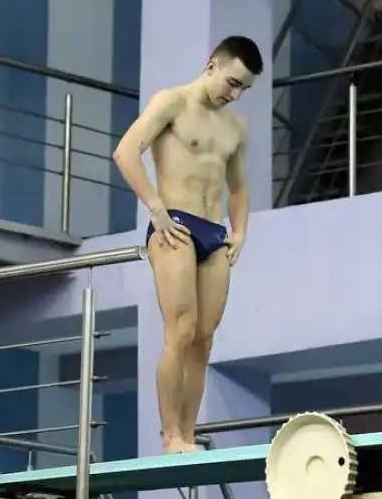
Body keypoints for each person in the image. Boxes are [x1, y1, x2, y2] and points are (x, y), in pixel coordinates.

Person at [112, 35, 262, 454]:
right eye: (232, 83)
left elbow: (238, 186)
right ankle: (170, 436)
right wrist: (156, 209)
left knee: (204, 339)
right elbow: (125, 152)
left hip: (215, 235)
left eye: (244, 89)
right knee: (180, 329)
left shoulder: (235, 127)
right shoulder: (172, 102)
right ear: (212, 65)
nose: (235, 94)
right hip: (174, 225)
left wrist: (241, 231)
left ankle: (189, 435)